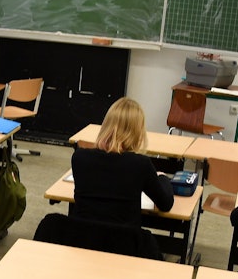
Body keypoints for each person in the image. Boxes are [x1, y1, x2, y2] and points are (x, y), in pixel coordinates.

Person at [71, 96, 174, 228]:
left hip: (82, 239)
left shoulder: (79, 157)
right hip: (124, 244)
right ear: (138, 132)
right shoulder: (141, 165)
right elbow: (165, 204)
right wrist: (163, 178)